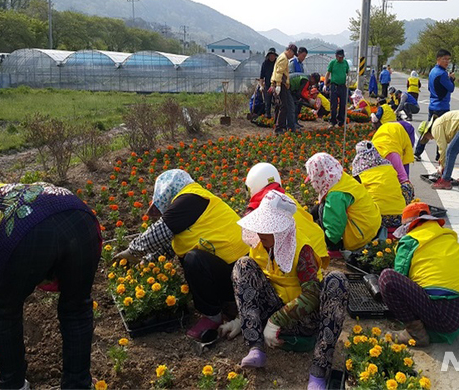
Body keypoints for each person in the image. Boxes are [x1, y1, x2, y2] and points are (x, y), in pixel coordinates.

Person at [0, 177, 101, 389]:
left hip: (23, 228)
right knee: (77, 307)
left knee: (2, 309)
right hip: (79, 214)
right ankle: (78, 384)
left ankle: (11, 383)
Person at [230, 190, 349, 390]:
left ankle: (319, 370)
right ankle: (255, 347)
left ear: (282, 230)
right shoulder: (259, 246)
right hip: (274, 306)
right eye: (261, 227)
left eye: (268, 228)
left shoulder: (302, 251)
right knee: (242, 265)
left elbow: (312, 297)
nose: (261, 233)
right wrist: (241, 318)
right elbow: (254, 285)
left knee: (337, 280)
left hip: (305, 320)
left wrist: (277, 320)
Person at [113, 170, 249, 340]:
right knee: (190, 256)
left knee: (193, 260)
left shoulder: (189, 199)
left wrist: (132, 251)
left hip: (239, 273)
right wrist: (145, 264)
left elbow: (159, 232)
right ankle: (226, 303)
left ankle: (213, 316)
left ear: (168, 191)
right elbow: (171, 246)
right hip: (236, 273)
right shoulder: (194, 203)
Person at [379, 202, 459, 346]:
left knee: (387, 278)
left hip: (446, 316)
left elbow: (399, 275)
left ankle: (415, 334)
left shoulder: (410, 241)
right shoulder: (446, 235)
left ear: (409, 227)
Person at [244, 162, 330, 267]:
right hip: (318, 250)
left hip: (300, 258)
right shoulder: (285, 198)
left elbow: (253, 241)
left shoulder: (262, 208)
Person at [304, 153, 381, 252]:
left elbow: (335, 226)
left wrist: (327, 241)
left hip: (359, 237)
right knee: (321, 207)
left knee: (323, 209)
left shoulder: (335, 195)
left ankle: (335, 246)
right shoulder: (341, 179)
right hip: (371, 226)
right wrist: (308, 216)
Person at [352, 141, 414, 231]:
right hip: (400, 217)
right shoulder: (388, 166)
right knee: (407, 186)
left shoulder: (359, 171)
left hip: (376, 218)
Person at [419, 110, 459, 190]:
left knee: (450, 152)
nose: (429, 139)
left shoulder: (435, 128)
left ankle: (445, 181)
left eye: (426, 137)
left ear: (426, 132)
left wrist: (442, 166)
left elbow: (443, 148)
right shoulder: (440, 123)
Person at [413, 49, 455, 161]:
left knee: (428, 130)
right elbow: (451, 88)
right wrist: (451, 79)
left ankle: (417, 152)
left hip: (433, 105)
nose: (447, 62)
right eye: (444, 59)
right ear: (438, 59)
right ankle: (439, 156)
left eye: (448, 59)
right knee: (441, 133)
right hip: (442, 106)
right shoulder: (442, 74)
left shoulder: (432, 71)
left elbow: (429, 88)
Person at [271, 44, 298, 134]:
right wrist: (278, 84)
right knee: (284, 106)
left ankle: (280, 126)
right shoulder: (283, 58)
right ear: (289, 50)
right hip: (281, 84)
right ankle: (279, 128)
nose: (293, 56)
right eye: (293, 54)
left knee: (282, 106)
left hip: (280, 84)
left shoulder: (282, 57)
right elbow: (279, 72)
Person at [325, 49, 350, 128]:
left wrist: (348, 78)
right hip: (334, 86)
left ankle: (341, 121)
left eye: (342, 57)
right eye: (339, 57)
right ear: (336, 56)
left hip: (343, 86)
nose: (341, 58)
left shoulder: (345, 63)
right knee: (334, 104)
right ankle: (332, 121)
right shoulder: (332, 63)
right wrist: (325, 84)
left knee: (343, 104)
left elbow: (348, 72)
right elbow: (328, 73)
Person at [259, 48, 278, 119]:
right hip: (267, 85)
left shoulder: (277, 63)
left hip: (276, 85)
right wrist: (261, 86)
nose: (272, 57)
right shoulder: (265, 63)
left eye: (273, 55)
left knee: (277, 102)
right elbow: (261, 76)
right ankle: (268, 117)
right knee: (267, 101)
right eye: (270, 55)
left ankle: (277, 118)